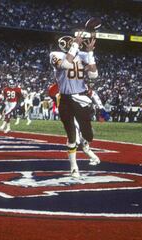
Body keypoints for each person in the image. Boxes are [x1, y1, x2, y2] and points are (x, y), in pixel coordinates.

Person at [49, 33, 100, 178]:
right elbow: (65, 65)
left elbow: (93, 75)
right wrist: (76, 46)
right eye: (72, 42)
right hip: (65, 98)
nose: (75, 44)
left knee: (88, 136)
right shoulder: (55, 54)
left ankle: (85, 142)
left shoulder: (81, 54)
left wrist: (90, 53)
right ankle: (74, 167)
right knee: (71, 134)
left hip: (80, 97)